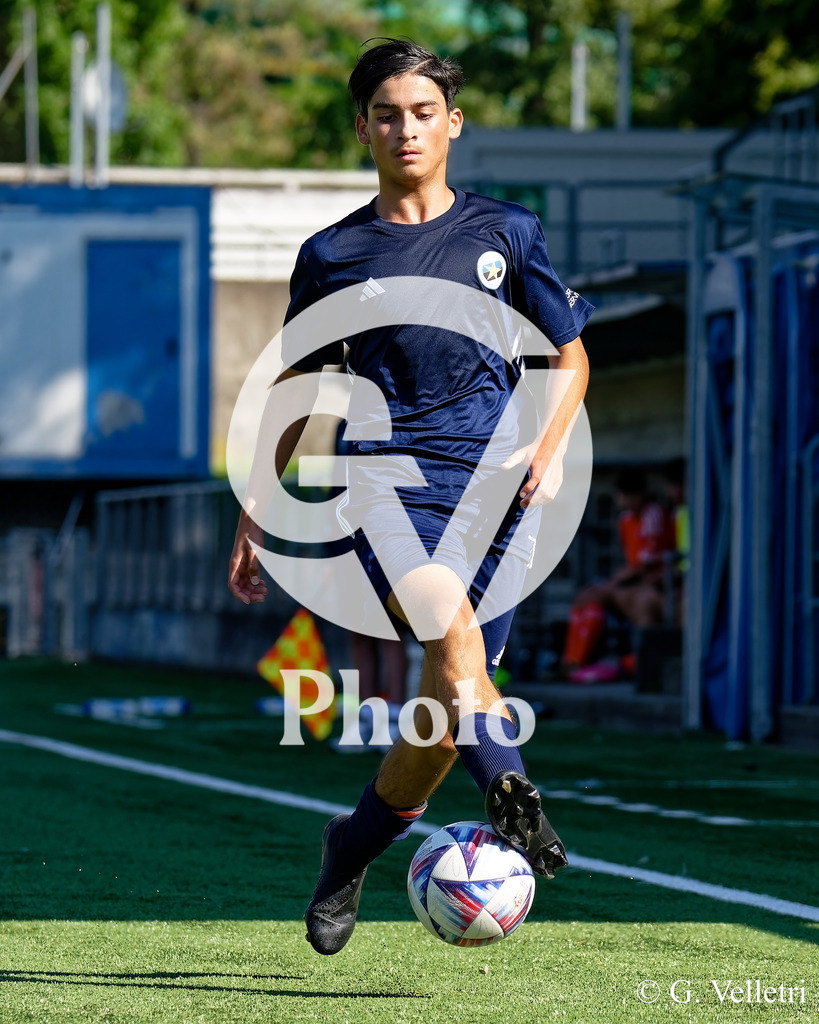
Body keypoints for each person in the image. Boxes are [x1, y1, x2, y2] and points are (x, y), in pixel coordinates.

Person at [228, 39, 593, 956]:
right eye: (387, 114)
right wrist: (258, 508)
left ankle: (350, 847)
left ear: (452, 123)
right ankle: (509, 791)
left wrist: (547, 446)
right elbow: (299, 389)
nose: (406, 129)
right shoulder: (332, 254)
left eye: (423, 113)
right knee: (446, 621)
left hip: (498, 493)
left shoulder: (507, 232)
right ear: (362, 128)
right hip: (385, 483)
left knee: (437, 722)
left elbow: (569, 354)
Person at [562, 467, 674, 679]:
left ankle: (636, 665)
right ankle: (573, 663)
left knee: (634, 603)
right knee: (586, 598)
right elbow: (633, 562)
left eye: (627, 494)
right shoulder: (626, 519)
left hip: (651, 581)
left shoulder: (653, 514)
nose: (623, 499)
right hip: (634, 580)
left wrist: (613, 584)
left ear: (638, 495)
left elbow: (646, 563)